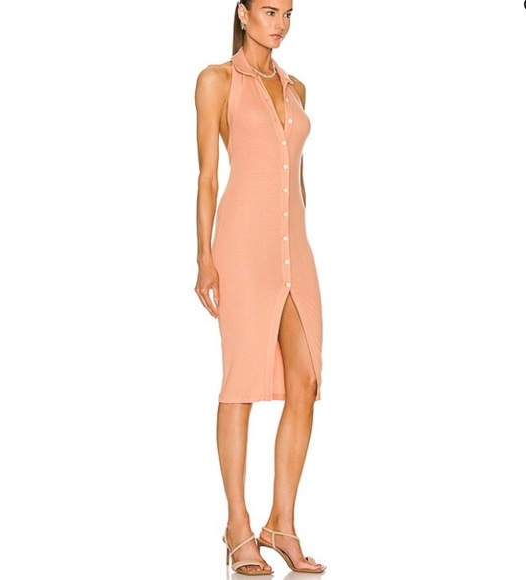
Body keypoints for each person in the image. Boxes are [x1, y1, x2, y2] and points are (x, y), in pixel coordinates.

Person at [194, 0, 325, 574]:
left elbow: (296, 178)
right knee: (241, 382)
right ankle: (237, 527)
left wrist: (300, 241)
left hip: (294, 250)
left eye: (289, 14)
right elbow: (207, 175)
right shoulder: (216, 80)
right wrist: (204, 257)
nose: (280, 24)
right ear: (242, 14)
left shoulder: (298, 88)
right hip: (242, 248)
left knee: (306, 379)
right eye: (269, 11)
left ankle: (281, 523)